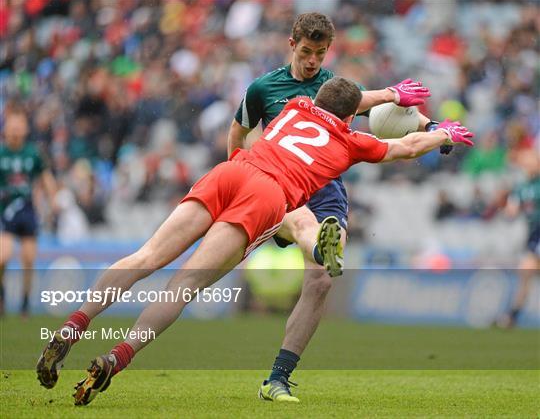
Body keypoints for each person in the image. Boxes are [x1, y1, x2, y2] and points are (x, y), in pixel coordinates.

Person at [36, 76, 473, 406]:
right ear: (348, 118)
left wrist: (391, 94)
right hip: (268, 195)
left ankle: (73, 325)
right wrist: (442, 133)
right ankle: (117, 357)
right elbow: (407, 146)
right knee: (184, 285)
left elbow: (354, 101)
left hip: (234, 170)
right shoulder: (350, 141)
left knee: (147, 255)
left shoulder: (297, 104)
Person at [227, 12, 440, 401]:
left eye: (320, 54)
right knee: (297, 244)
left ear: (328, 51)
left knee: (322, 279)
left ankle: (277, 378)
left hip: (326, 191)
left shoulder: (335, 89)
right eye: (306, 52)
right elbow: (239, 132)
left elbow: (385, 110)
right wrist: (238, 173)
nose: (312, 61)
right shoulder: (262, 88)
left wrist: (430, 130)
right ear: (292, 45)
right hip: (281, 185)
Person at [0, 105, 57, 317]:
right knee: (2, 256)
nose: (15, 130)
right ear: (5, 128)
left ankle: (24, 303)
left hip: (27, 211)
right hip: (5, 211)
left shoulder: (33, 153)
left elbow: (45, 177)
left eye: (19, 126)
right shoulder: (1, 152)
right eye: (11, 126)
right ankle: (2, 294)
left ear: (25, 128)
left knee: (28, 259)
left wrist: (53, 198)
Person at [495, 150, 540, 328]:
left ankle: (512, 315)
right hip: (533, 234)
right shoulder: (521, 188)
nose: (527, 166)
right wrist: (504, 204)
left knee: (526, 271)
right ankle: (513, 315)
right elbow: (510, 213)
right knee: (525, 273)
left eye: (531, 162)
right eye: (525, 163)